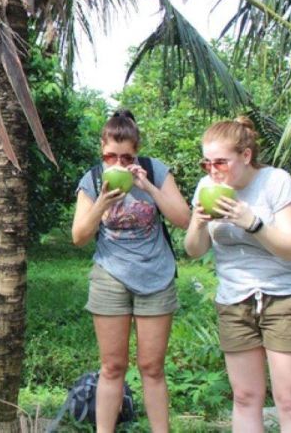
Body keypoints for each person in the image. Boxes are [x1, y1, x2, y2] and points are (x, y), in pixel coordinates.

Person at [184, 116, 291, 432]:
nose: (214, 171)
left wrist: (252, 223)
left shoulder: (275, 182)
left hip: (283, 297)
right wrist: (199, 223)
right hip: (234, 301)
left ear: (245, 156)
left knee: (289, 400)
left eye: (221, 162)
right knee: (244, 397)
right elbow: (194, 249)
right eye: (207, 164)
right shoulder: (207, 187)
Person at [70, 110, 190, 433]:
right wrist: (102, 203)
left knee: (152, 367)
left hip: (156, 275)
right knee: (112, 367)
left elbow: (184, 219)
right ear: (102, 151)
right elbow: (79, 236)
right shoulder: (93, 179)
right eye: (111, 156)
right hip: (110, 276)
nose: (119, 164)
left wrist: (148, 186)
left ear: (137, 151)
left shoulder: (154, 171)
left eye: (127, 157)